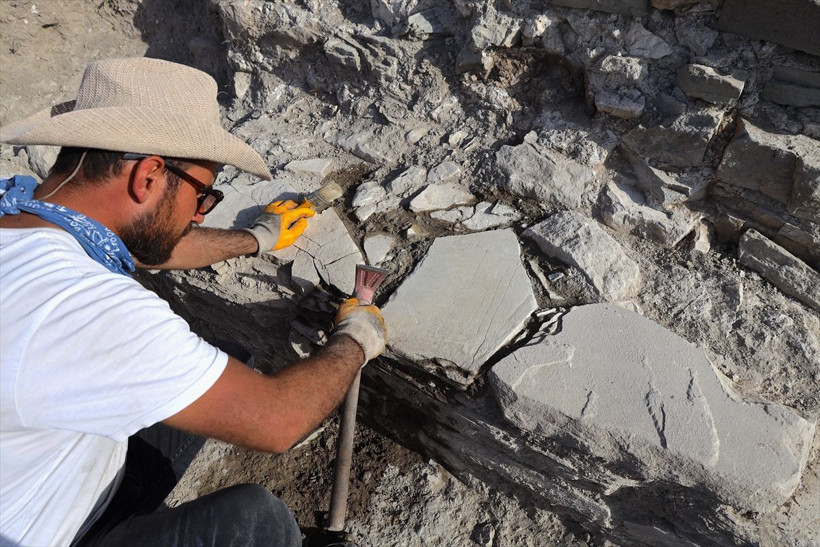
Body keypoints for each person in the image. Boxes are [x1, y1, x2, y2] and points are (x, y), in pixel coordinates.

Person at [0, 57, 387, 546]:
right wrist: (354, 341)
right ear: (148, 176)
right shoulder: (92, 312)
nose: (201, 216)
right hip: (46, 531)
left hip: (49, 472)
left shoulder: (20, 206)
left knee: (229, 359)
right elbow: (276, 422)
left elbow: (139, 242)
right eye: (204, 196)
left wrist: (256, 238)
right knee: (256, 523)